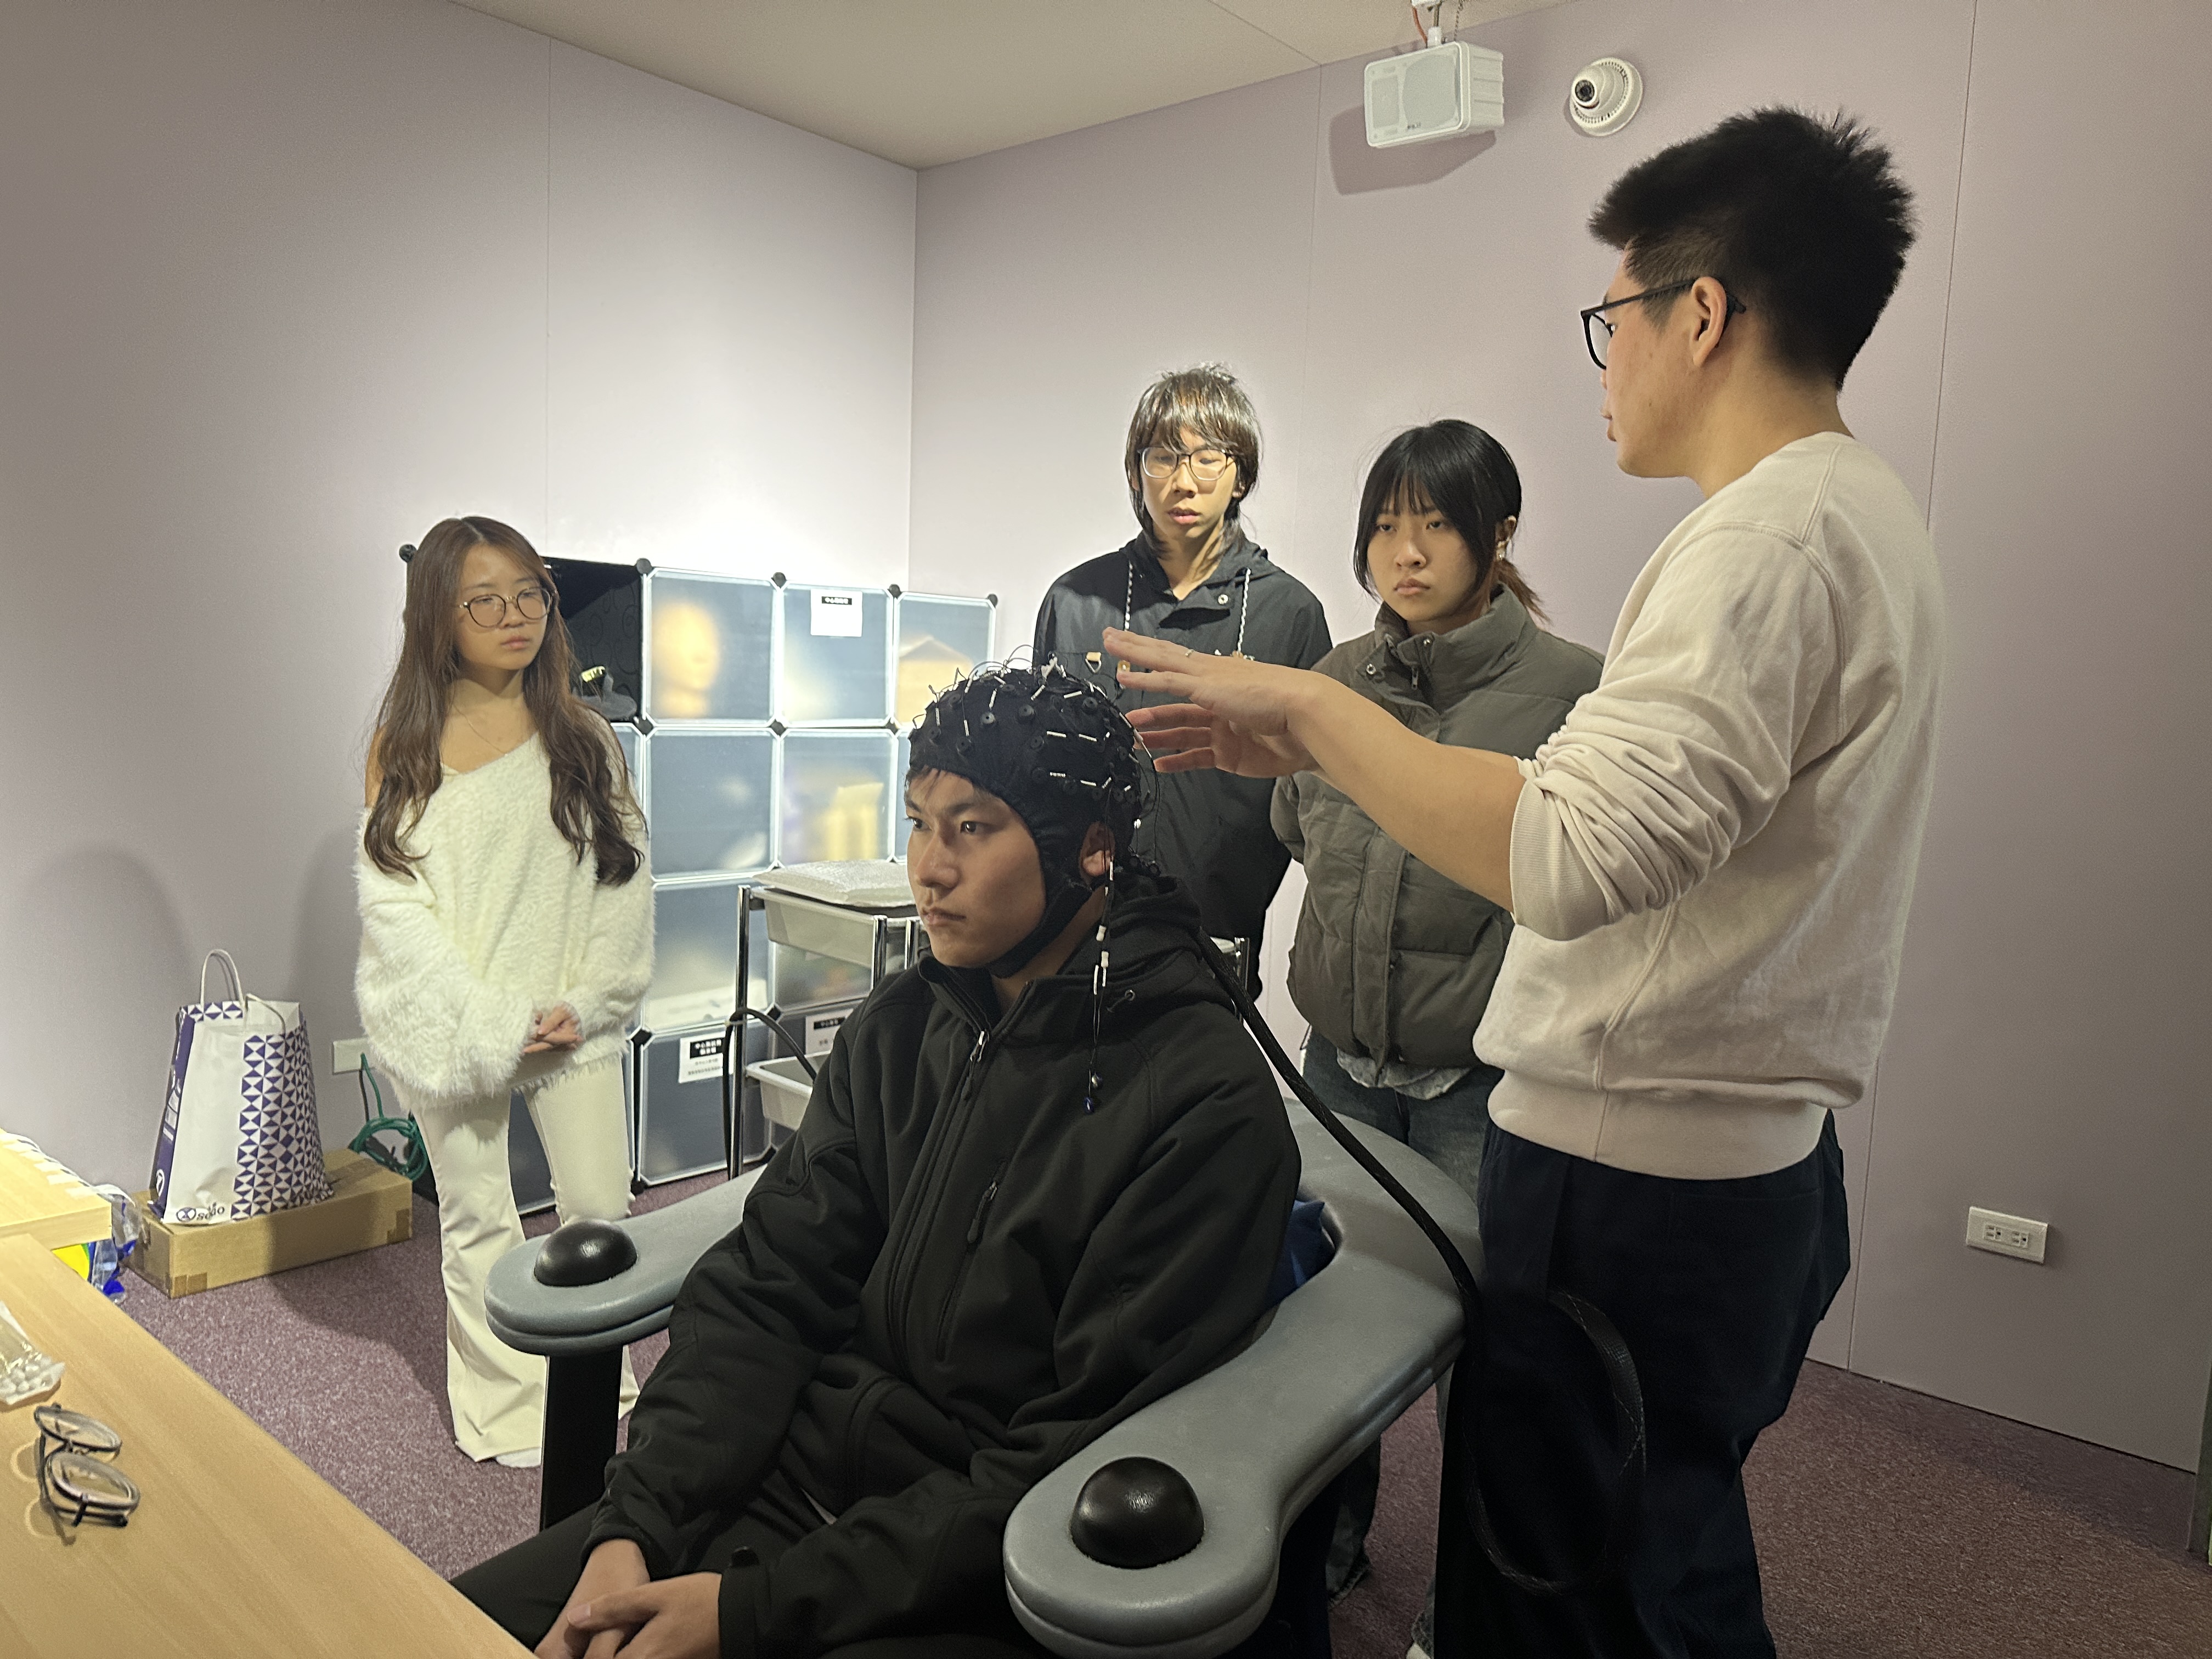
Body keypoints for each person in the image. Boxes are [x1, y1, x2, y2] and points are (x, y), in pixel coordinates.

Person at [1109, 108, 1939, 1658]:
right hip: (1711, 1158)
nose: (1606, 364)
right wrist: (1323, 732)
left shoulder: (1766, 543)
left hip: (1641, 1179)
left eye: (1612, 322)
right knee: (1633, 1547)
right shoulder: (1854, 515)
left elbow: (1569, 854)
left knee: (1587, 1579)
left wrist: (1313, 715)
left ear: (1701, 315)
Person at [453, 663, 1300, 1659]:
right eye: (919, 823)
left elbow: (1066, 1455)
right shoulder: (902, 1025)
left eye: (972, 828)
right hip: (784, 1483)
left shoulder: (1202, 1104)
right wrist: (631, 1529)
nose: (927, 868)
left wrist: (748, 1614)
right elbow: (768, 1289)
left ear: (1091, 847)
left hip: (968, 1571)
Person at [1276, 420, 1600, 1609]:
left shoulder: (1574, 690)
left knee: (1492, 1350)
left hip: (1481, 1085)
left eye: (1434, 524)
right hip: (1337, 1067)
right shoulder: (1329, 683)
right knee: (1319, 1322)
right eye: (1383, 525)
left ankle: (1471, 1608)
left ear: (1496, 534)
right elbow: (1295, 831)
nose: (1403, 552)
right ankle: (1322, 1550)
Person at [357, 515, 652, 1466]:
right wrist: (488, 1020)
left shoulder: (584, 736)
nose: (514, 615)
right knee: (479, 1218)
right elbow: (395, 909)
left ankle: (593, 1379)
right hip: (452, 1022)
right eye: (483, 601)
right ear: (438, 616)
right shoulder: (403, 745)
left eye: (530, 593)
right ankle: (507, 1406)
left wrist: (589, 999)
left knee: (599, 1203)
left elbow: (623, 877)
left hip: (569, 1014)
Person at [1033, 364, 1330, 970]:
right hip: (1074, 941)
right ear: (1135, 473)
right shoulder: (1076, 600)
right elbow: (1035, 765)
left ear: (1241, 476)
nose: (1183, 483)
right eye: (1163, 459)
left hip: (1215, 945)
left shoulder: (1290, 614)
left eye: (1207, 459)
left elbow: (1317, 799)